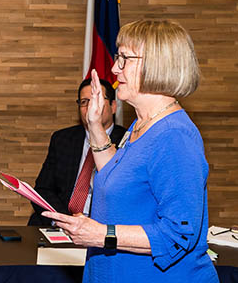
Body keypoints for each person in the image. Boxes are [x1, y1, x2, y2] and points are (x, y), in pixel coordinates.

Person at [42, 20, 218, 282]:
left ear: (157, 64)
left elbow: (178, 234)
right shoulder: (142, 124)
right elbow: (117, 175)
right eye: (117, 57)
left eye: (125, 59)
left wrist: (101, 234)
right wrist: (94, 125)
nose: (114, 68)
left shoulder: (175, 136)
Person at [28, 79, 126, 226]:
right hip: (61, 223)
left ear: (113, 106)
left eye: (96, 100)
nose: (90, 107)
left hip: (102, 228)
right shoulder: (62, 139)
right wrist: (66, 220)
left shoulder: (129, 141)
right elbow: (43, 190)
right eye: (84, 102)